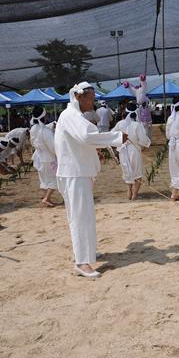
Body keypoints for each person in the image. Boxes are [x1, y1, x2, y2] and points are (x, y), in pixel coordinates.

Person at [55, 82, 126, 278]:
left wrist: (96, 151)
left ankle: (86, 252)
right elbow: (87, 136)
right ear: (79, 97)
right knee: (80, 216)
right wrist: (118, 137)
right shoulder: (70, 116)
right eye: (91, 99)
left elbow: (80, 142)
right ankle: (81, 262)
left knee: (85, 215)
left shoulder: (75, 117)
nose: (92, 103)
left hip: (78, 172)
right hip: (74, 174)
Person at [112, 102, 151, 200]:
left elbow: (112, 135)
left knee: (127, 172)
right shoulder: (137, 125)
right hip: (134, 150)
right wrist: (146, 144)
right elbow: (143, 139)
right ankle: (134, 195)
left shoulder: (120, 124)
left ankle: (129, 192)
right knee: (137, 173)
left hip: (123, 150)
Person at [30, 106, 58, 207]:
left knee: (44, 178)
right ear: (44, 116)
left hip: (38, 157)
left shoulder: (33, 129)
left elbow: (33, 142)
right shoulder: (45, 131)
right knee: (54, 178)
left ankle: (47, 198)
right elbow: (52, 147)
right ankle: (46, 198)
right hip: (48, 158)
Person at [124, 74, 153, 142]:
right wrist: (128, 85)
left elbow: (142, 86)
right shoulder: (139, 107)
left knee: (148, 132)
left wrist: (142, 80)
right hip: (143, 122)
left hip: (148, 121)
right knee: (144, 132)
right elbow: (132, 89)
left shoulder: (147, 106)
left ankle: (148, 141)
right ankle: (145, 141)